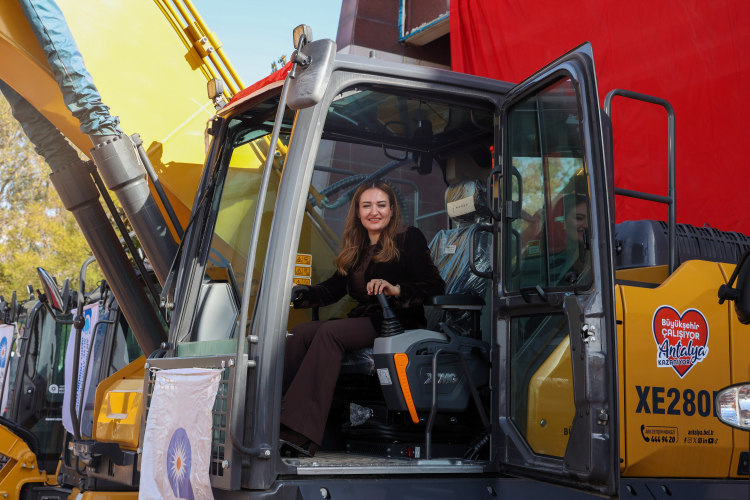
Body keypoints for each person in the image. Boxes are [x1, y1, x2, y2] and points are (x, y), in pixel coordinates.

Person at [280, 180, 445, 456]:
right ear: (357, 212)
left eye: (381, 205)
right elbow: (333, 288)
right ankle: (278, 420)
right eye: (367, 206)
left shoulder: (408, 237)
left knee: (330, 334)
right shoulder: (357, 247)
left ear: (392, 210)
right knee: (300, 333)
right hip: (366, 320)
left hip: (397, 321)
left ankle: (301, 433)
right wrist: (300, 293)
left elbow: (435, 285)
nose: (374, 211)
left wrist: (396, 289)